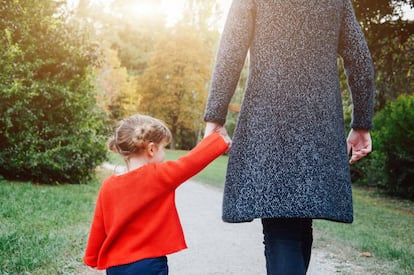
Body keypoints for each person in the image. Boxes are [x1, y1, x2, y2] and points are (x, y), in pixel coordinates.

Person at [204, 1, 374, 274]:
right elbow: (359, 58)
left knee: (282, 226)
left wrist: (215, 117)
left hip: (268, 121)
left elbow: (230, 51)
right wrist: (362, 124)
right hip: (320, 125)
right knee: (298, 221)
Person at [84, 114, 229, 274]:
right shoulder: (159, 176)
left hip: (116, 267)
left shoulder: (108, 185)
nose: (164, 154)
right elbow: (191, 162)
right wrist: (219, 140)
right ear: (151, 149)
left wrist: (91, 257)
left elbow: (99, 224)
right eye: (163, 148)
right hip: (148, 263)